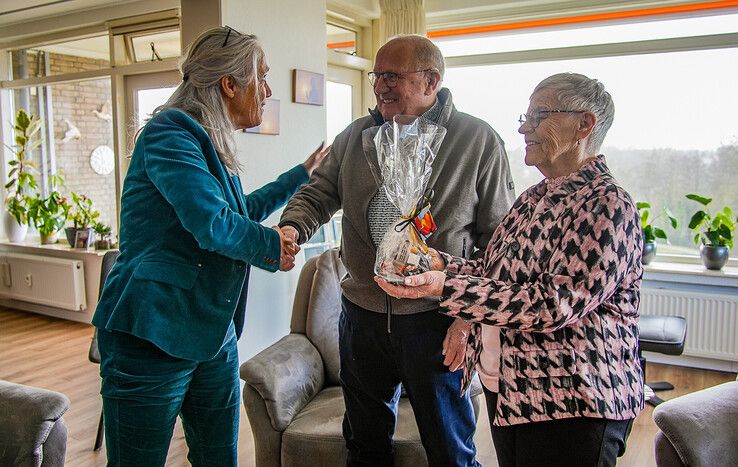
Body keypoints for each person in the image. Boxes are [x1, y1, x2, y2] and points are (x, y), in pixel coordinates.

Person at [376, 72, 644, 467]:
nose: (524, 127)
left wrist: (444, 288)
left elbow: (551, 305)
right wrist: (434, 261)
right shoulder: (533, 197)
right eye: (526, 115)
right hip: (512, 392)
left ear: (584, 124)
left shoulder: (606, 205)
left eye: (539, 116)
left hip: (572, 400)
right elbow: (493, 271)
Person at [92, 26, 329, 467]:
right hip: (153, 331)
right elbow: (211, 224)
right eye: (262, 76)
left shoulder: (213, 143)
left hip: (212, 332)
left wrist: (300, 174)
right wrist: (271, 246)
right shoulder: (170, 134)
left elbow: (236, 214)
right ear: (229, 84)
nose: (268, 89)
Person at [279, 34, 515, 466]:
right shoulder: (356, 136)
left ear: (431, 81)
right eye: (377, 76)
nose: (381, 86)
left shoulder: (477, 140)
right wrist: (292, 228)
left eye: (392, 76)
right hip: (361, 316)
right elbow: (318, 194)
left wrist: (466, 321)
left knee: (449, 447)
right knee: (364, 444)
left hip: (437, 321)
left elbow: (500, 242)